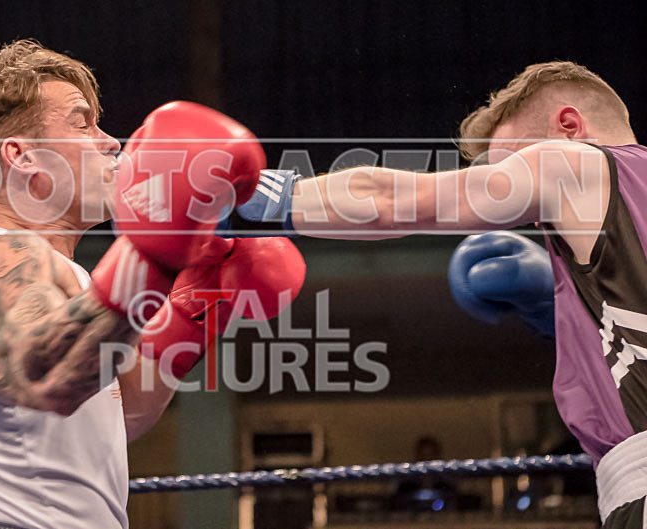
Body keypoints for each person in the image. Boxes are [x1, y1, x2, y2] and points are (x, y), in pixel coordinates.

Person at [224, 61, 645, 527]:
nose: (531, 216)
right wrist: (557, 306)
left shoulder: (573, 164)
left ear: (569, 127)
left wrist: (260, 197)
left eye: (515, 166)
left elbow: (390, 202)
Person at [0, 39, 305, 529]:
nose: (110, 142)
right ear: (21, 156)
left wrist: (200, 302)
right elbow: (44, 375)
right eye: (82, 123)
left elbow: (121, 413)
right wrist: (152, 251)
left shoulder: (70, 280)